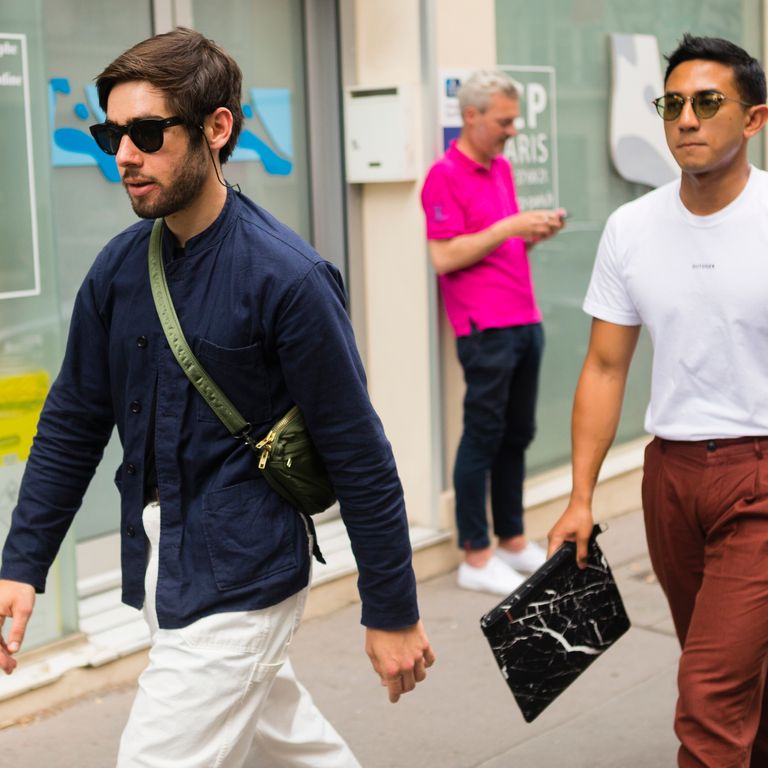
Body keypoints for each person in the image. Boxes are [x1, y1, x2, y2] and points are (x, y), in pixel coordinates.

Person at [0, 27, 434, 768]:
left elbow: (360, 455)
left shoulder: (287, 278)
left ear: (217, 128)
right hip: (160, 566)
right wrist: (23, 561)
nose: (124, 155)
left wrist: (391, 609)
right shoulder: (117, 271)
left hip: (243, 575)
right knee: (289, 745)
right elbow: (72, 421)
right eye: (111, 133)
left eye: (145, 131)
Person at [548, 34, 768, 768]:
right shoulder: (631, 228)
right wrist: (580, 496)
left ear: (755, 119)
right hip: (669, 478)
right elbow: (606, 367)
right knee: (732, 678)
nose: (685, 119)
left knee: (707, 692)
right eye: (672, 103)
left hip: (760, 476)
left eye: (708, 102)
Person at [420, 70, 566, 596]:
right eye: (504, 121)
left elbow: (492, 246)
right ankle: (475, 556)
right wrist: (510, 227)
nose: (512, 130)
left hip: (524, 319)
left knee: (517, 435)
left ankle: (510, 539)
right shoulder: (443, 175)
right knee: (483, 437)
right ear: (472, 116)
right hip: (485, 327)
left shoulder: (501, 168)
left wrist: (532, 232)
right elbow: (444, 255)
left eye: (514, 120)